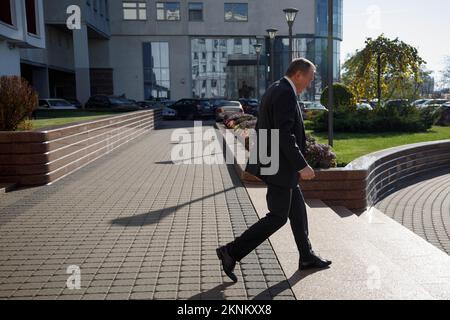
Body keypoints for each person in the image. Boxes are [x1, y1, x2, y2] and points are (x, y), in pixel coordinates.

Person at [216, 58, 332, 283]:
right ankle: (231, 251)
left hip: (277, 164)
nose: (309, 83)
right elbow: (285, 134)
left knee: (297, 211)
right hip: (279, 166)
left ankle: (306, 255)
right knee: (278, 217)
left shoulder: (277, 88)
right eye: (309, 78)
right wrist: (302, 165)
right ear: (298, 74)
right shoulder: (284, 93)